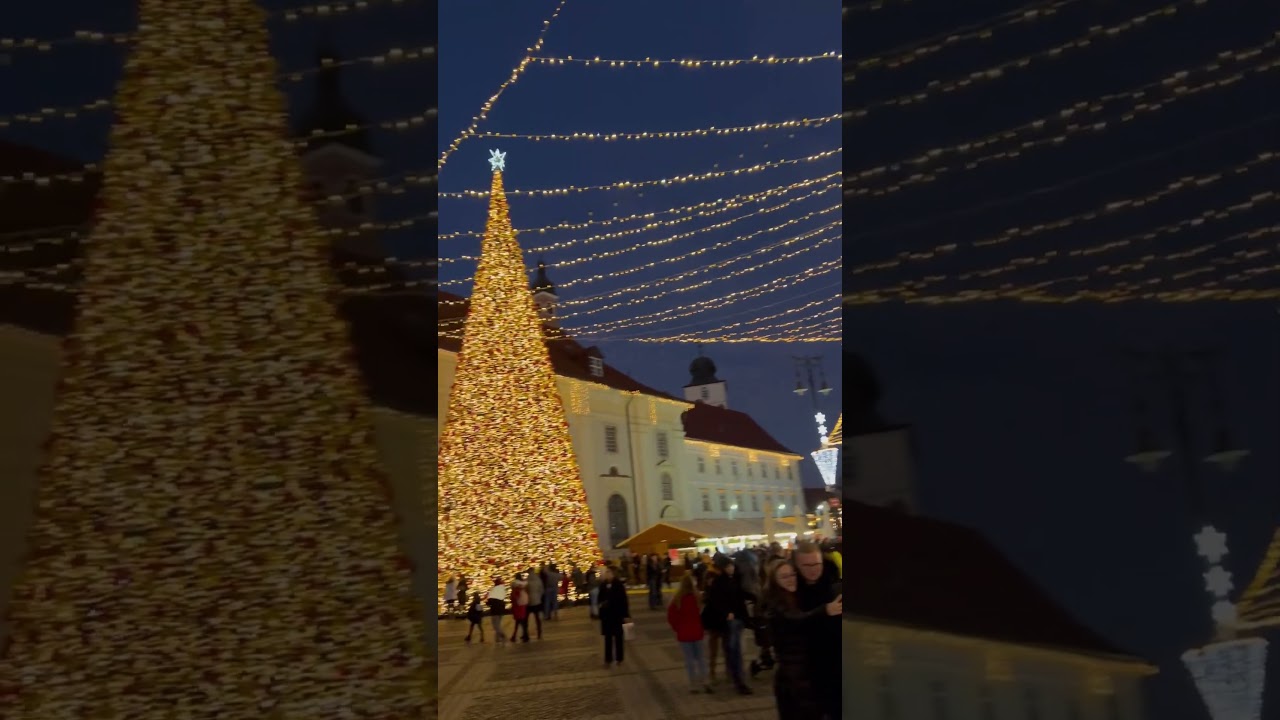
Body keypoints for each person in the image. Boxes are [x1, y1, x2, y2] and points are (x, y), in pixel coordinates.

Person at [764, 559, 842, 719]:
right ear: (775, 580)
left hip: (800, 672)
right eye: (784, 576)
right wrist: (825, 610)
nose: (791, 579)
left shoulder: (792, 598)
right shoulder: (776, 603)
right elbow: (796, 619)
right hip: (794, 677)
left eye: (792, 574)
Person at [793, 541, 842, 718]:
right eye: (806, 565)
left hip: (835, 667)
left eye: (817, 564)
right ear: (797, 565)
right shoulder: (791, 592)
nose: (813, 569)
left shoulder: (834, 587)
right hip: (806, 669)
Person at [704, 555, 753, 694]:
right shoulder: (719, 582)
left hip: (737, 620)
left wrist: (752, 596)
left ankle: (737, 679)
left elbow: (740, 595)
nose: (731, 568)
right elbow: (715, 601)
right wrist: (727, 613)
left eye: (732, 566)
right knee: (733, 651)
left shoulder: (734, 580)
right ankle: (738, 681)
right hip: (729, 622)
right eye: (728, 566)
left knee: (736, 651)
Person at [667, 574, 711, 694]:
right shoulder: (698, 597)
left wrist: (678, 628)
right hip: (697, 632)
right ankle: (705, 681)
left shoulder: (677, 599)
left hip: (684, 634)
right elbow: (704, 613)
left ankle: (693, 685)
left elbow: (671, 616)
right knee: (701, 658)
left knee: (689, 660)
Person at [597, 566, 631, 667]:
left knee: (618, 638)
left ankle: (619, 659)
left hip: (617, 615)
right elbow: (599, 598)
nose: (606, 574)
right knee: (607, 639)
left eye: (608, 572)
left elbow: (624, 601)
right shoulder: (603, 585)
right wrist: (601, 605)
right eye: (606, 572)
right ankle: (608, 659)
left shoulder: (619, 585)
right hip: (606, 616)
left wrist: (626, 615)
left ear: (613, 574)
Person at [524, 566, 545, 639]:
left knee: (526, 618)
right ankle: (539, 632)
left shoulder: (527, 581)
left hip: (529, 602)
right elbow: (542, 590)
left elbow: (525, 591)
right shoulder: (538, 580)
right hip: (537, 601)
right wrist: (539, 597)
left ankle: (525, 633)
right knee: (537, 618)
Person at [486, 576, 508, 644]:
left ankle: (502, 635)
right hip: (501, 609)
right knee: (498, 624)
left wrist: (487, 602)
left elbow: (490, 601)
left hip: (495, 610)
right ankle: (497, 639)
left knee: (495, 625)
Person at [509, 577, 531, 643]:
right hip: (521, 609)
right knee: (520, 623)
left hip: (518, 609)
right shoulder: (521, 591)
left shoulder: (516, 591)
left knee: (520, 623)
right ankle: (517, 636)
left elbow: (515, 599)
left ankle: (524, 636)